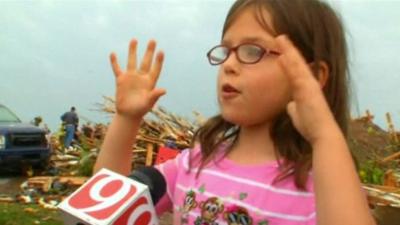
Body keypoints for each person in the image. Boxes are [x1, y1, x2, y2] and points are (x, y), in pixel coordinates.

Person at [94, 0, 376, 224]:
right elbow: (107, 206)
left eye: (252, 51)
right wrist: (127, 119)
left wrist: (325, 136)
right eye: (226, 50)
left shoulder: (325, 189)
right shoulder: (196, 161)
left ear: (313, 75)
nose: (229, 64)